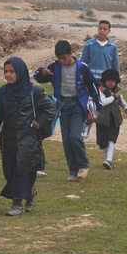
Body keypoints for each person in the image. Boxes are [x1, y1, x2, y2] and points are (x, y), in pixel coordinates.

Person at [0, 57, 57, 216]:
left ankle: (17, 203)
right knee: (10, 172)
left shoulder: (34, 91)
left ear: (20, 72)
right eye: (6, 71)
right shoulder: (2, 93)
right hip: (9, 139)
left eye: (12, 71)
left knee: (23, 169)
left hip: (28, 139)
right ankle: (30, 192)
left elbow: (50, 108)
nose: (8, 75)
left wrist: (39, 122)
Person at [33, 40, 99, 182]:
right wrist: (42, 72)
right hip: (63, 105)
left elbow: (92, 86)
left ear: (70, 54)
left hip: (77, 104)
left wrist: (97, 106)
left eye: (64, 57)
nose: (62, 61)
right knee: (66, 140)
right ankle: (72, 171)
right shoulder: (54, 67)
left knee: (75, 136)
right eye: (59, 58)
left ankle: (83, 165)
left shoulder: (82, 67)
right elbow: (37, 76)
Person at [94, 68, 127, 170]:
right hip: (102, 120)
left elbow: (122, 102)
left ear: (116, 81)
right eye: (108, 80)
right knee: (102, 141)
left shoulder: (117, 92)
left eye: (112, 80)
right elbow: (103, 102)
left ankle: (109, 159)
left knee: (111, 139)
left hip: (114, 119)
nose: (110, 83)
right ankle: (108, 159)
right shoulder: (100, 91)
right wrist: (114, 97)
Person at [80, 19, 120, 84]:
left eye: (104, 29)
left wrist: (117, 80)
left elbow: (115, 64)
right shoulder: (89, 44)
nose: (102, 30)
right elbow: (83, 62)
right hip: (91, 79)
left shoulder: (112, 46)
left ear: (109, 31)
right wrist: (81, 74)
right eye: (100, 28)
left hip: (106, 80)